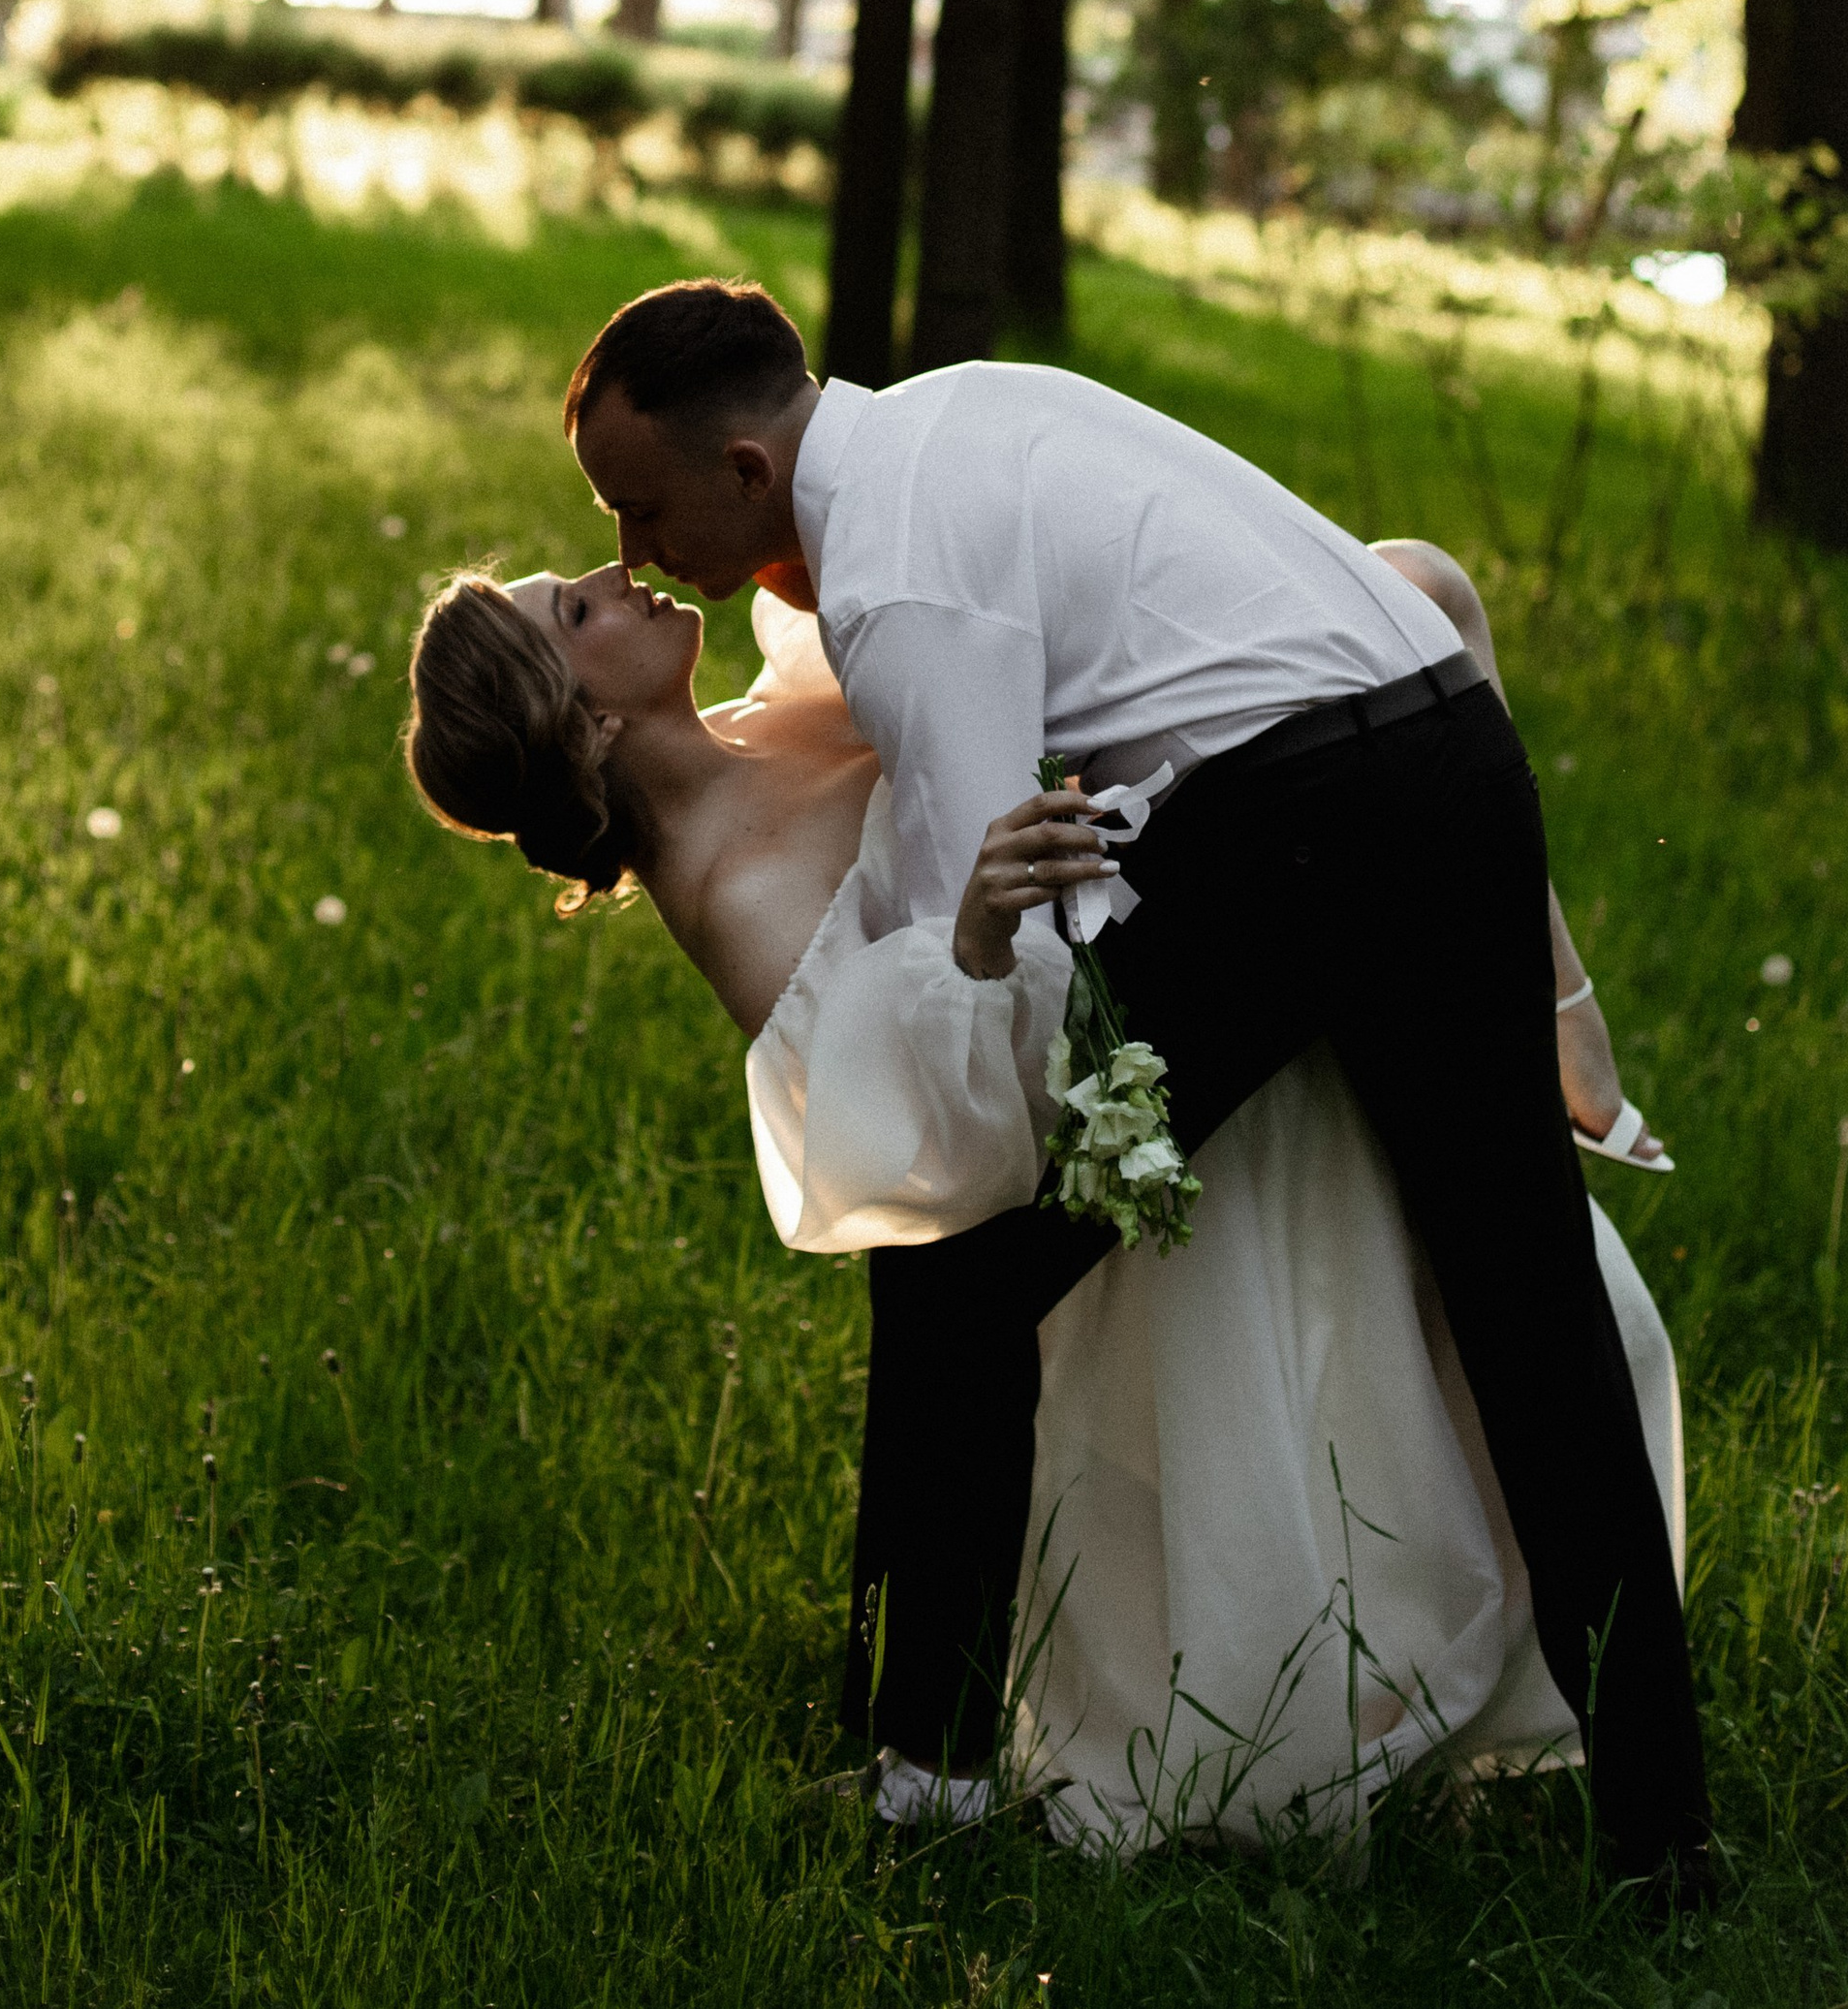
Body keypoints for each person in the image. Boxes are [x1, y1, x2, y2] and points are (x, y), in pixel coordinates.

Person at [545, 278, 1710, 1902]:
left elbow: (996, 950)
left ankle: (927, 1783)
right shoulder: (953, 408)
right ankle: (1666, 1834)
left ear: (746, 471)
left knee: (959, 1277)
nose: (624, 544)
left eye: (638, 501)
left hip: (1310, 815)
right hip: (1450, 753)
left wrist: (966, 1134)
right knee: (1527, 1307)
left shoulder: (891, 588)